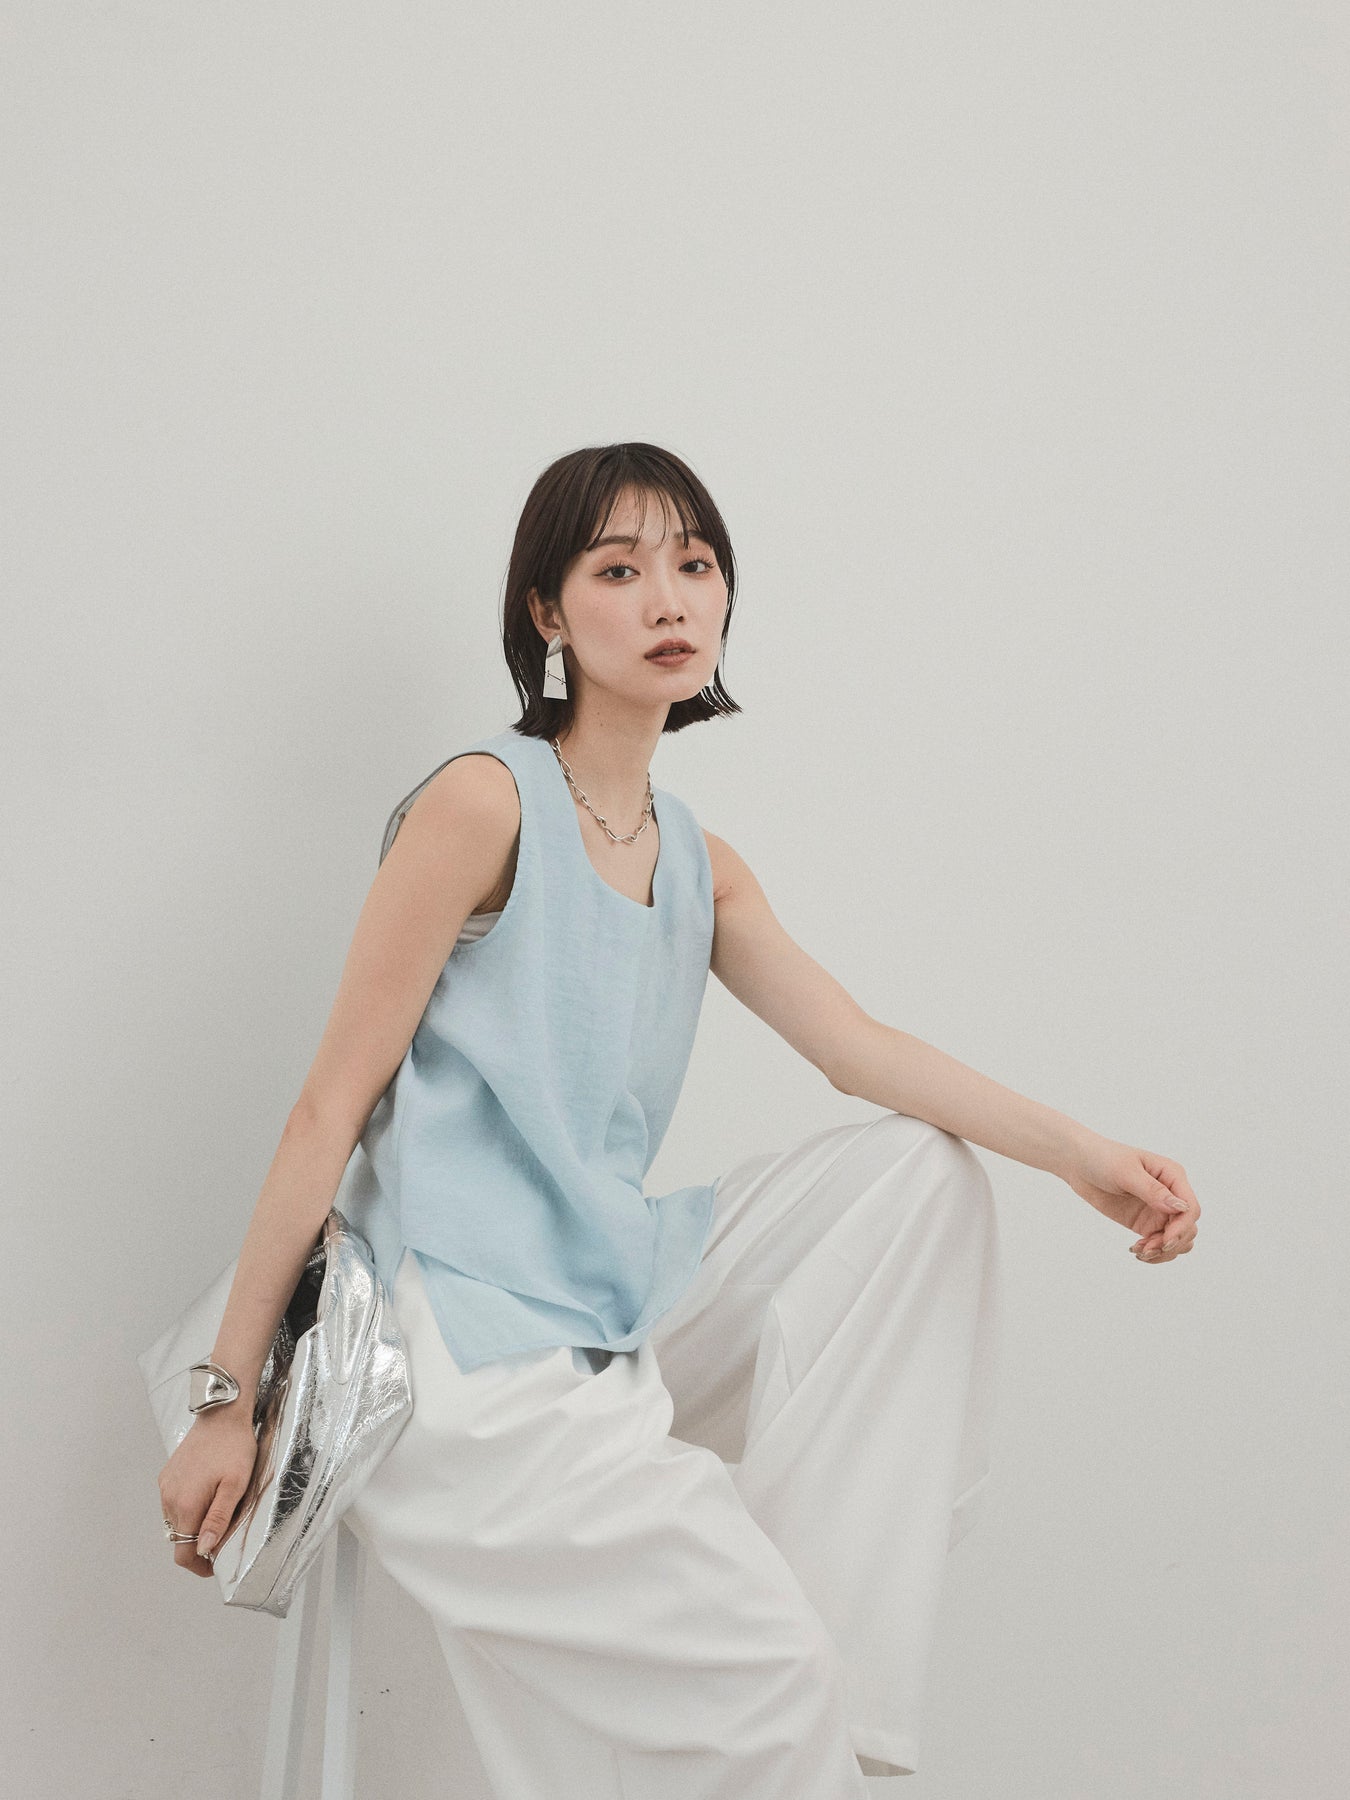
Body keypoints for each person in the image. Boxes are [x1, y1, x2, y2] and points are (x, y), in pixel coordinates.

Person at [155, 442, 1201, 1795]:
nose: (667, 599)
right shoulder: (482, 803)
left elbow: (858, 1051)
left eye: (694, 565)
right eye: (618, 570)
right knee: (767, 1692)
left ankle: (821, 1659)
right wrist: (225, 1397)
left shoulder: (701, 861)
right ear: (546, 612)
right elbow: (326, 1109)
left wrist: (1081, 1158)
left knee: (917, 1179)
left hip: (601, 1297)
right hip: (455, 1337)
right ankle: (786, 1680)